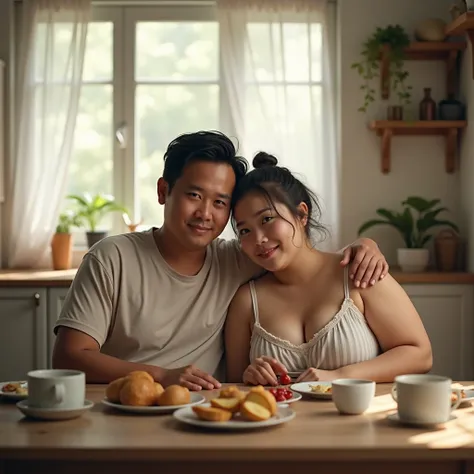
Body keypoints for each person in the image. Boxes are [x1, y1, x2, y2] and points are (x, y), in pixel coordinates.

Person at [52, 131, 389, 391]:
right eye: (194, 195)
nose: (205, 213)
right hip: (124, 408)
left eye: (219, 202)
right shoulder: (111, 258)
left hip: (203, 415)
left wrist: (365, 244)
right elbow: (69, 357)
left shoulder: (237, 257)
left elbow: (295, 249)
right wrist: (160, 376)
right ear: (162, 191)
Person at [225, 152, 432, 386]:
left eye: (266, 219)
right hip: (279, 422)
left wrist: (341, 376)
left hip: (362, 420)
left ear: (302, 214)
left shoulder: (359, 271)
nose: (258, 239)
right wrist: (250, 375)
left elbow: (420, 354)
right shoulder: (245, 301)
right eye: (244, 231)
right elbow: (234, 383)